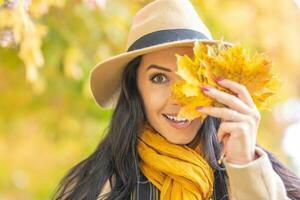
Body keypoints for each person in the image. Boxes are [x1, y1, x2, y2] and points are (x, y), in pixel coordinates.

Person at [52, 0, 300, 199]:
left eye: (192, 76)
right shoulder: (97, 186)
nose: (179, 97)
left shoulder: (262, 178)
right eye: (159, 78)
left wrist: (245, 166)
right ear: (134, 89)